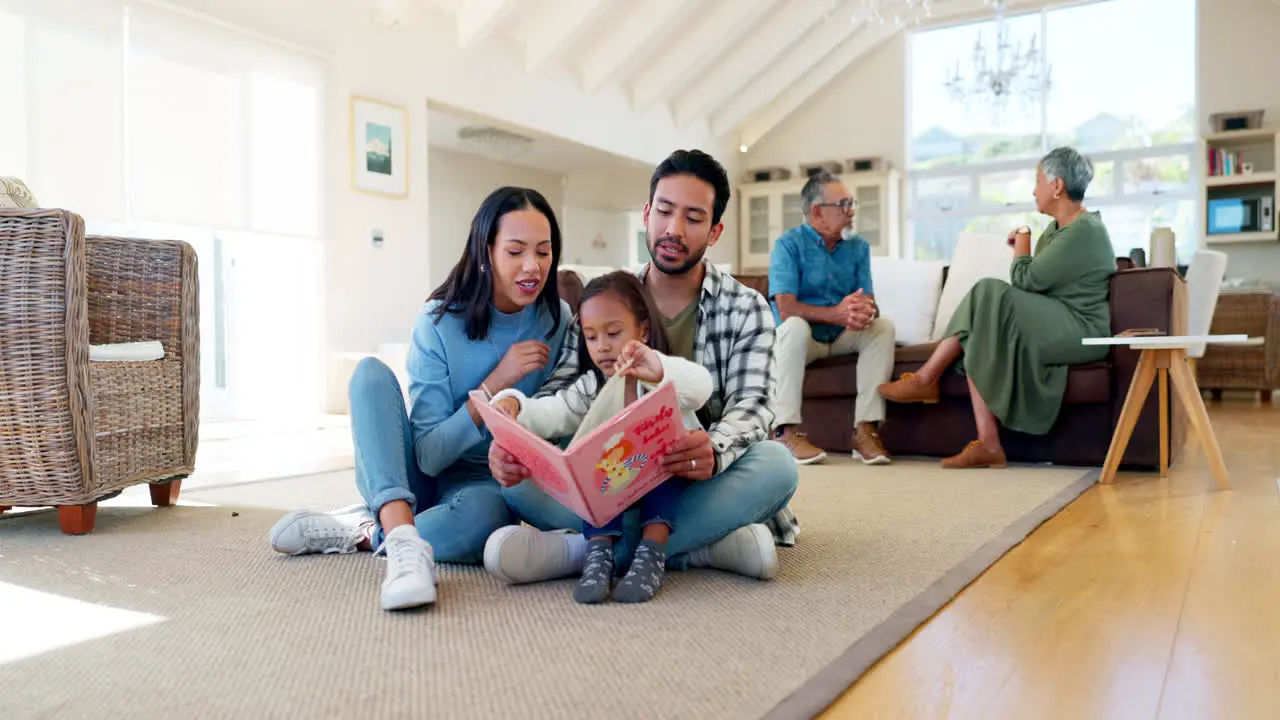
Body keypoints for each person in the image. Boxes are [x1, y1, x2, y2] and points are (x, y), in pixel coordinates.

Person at [484, 149, 800, 587]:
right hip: (614, 483)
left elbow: (757, 407)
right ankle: (704, 549)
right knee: (514, 481)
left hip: (699, 483)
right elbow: (559, 397)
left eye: (693, 217)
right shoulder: (605, 303)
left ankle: (585, 551)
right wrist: (518, 431)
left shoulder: (746, 307)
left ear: (714, 231)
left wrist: (713, 448)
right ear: (647, 214)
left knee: (778, 465)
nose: (673, 228)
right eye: (665, 211)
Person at [266, 186, 571, 611]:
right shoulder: (439, 321)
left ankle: (374, 529)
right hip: (426, 473)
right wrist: (496, 382)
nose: (532, 266)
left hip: (489, 486)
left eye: (543, 251)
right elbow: (428, 455)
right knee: (368, 375)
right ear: (486, 251)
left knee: (490, 519)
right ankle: (401, 537)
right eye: (516, 250)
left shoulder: (558, 321)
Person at [877, 146, 1115, 469]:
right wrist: (1024, 245)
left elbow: (1025, 280)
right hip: (1056, 319)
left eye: (1038, 181)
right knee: (981, 324)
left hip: (1080, 330)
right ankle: (988, 443)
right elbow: (1034, 278)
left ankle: (926, 379)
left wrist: (1023, 242)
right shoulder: (1059, 231)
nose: (1034, 190)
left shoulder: (1084, 231)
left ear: (1056, 186)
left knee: (988, 292)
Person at [489, 271, 712, 604]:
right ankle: (598, 554)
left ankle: (651, 552)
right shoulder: (591, 387)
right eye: (591, 337)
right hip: (615, 489)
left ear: (643, 331)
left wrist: (659, 367)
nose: (603, 346)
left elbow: (701, 387)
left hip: (664, 484)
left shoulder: (661, 378)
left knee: (666, 465)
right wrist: (513, 404)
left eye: (613, 333)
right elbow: (551, 412)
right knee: (594, 473)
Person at [768, 171, 896, 466]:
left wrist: (864, 311)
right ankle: (783, 432)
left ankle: (864, 430)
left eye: (852, 203)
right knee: (795, 326)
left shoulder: (859, 247)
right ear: (817, 212)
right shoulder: (788, 245)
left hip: (840, 337)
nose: (851, 211)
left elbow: (869, 300)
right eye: (844, 204)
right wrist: (837, 313)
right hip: (802, 340)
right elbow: (786, 308)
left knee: (882, 327)